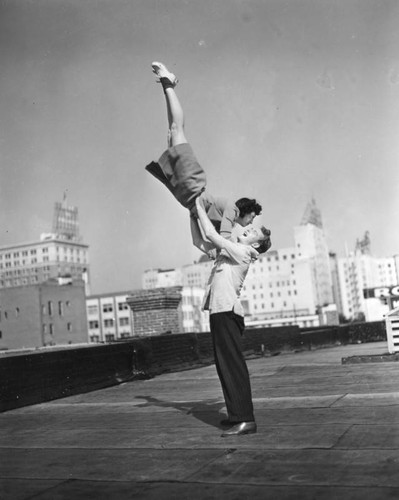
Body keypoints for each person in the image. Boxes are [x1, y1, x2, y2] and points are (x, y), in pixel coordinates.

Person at [146, 61, 263, 248]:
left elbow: (200, 242)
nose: (251, 222)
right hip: (192, 185)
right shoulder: (232, 209)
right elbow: (223, 239)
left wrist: (215, 251)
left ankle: (167, 83)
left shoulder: (227, 221)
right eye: (252, 217)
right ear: (246, 211)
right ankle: (167, 83)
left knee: (173, 131)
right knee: (176, 130)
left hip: (186, 195)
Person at [192, 196, 271, 437]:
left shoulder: (243, 252)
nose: (246, 231)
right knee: (224, 365)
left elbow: (211, 233)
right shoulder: (229, 253)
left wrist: (196, 203)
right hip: (220, 312)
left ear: (255, 245)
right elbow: (199, 241)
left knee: (232, 365)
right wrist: (192, 214)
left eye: (252, 233)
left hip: (227, 314)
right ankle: (235, 414)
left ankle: (245, 419)